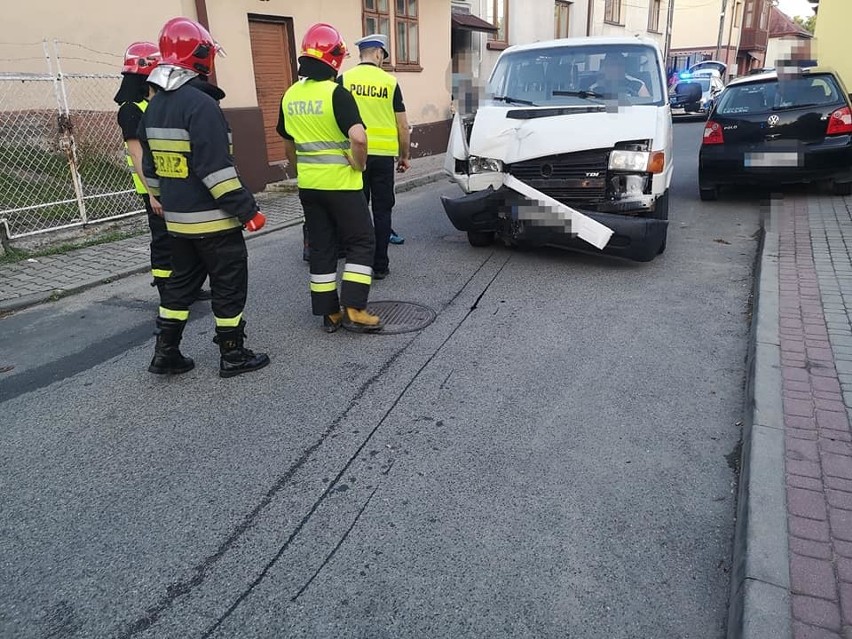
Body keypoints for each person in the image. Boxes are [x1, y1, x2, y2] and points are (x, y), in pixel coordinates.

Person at [140, 16, 269, 377]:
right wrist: (248, 211)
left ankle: (166, 353)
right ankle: (233, 354)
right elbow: (217, 171)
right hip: (214, 222)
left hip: (177, 223)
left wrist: (170, 201)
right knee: (228, 286)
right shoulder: (201, 105)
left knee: (179, 287)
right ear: (200, 57)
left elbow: (150, 171)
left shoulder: (154, 108)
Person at [277, 23, 383, 333]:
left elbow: (288, 141)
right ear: (334, 58)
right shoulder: (337, 94)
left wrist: (299, 169)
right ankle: (354, 306)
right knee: (362, 241)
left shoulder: (290, 94)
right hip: (342, 185)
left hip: (309, 186)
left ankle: (330, 314)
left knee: (322, 248)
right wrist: (359, 165)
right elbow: (359, 138)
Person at [115, 42, 212, 303]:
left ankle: (187, 287)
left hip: (169, 183)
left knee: (179, 238)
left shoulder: (152, 103)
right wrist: (153, 194)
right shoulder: (130, 110)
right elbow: (137, 155)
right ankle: (166, 291)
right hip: (153, 189)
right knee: (163, 241)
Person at [339, 33, 410, 279]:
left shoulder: (344, 79)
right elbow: (402, 126)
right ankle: (380, 265)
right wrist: (404, 156)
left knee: (357, 210)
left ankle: (358, 264)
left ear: (362, 54)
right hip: (382, 159)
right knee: (382, 211)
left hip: (355, 157)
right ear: (379, 53)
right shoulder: (390, 83)